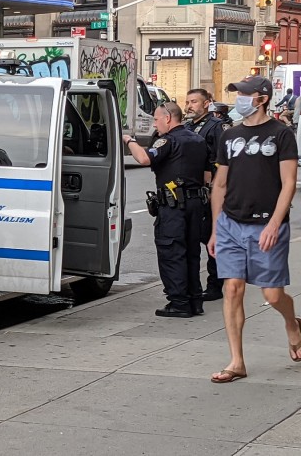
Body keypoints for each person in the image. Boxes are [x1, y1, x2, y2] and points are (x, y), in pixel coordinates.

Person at [208, 75, 301, 383]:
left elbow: (288, 183)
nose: (239, 99)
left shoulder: (281, 134)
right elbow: (219, 184)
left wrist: (274, 224)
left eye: (245, 94)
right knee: (231, 289)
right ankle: (236, 361)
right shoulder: (229, 135)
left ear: (261, 98)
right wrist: (215, 229)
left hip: (266, 225)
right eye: (238, 94)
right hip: (231, 224)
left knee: (273, 295)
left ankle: (292, 323)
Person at [125, 102, 209, 317]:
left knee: (172, 252)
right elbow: (207, 175)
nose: (155, 123)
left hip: (174, 206)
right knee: (192, 252)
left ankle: (179, 303)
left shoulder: (168, 140)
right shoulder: (198, 140)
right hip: (196, 204)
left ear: (168, 118)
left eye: (156, 119)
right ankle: (194, 301)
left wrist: (130, 141)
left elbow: (144, 158)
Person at [183, 89, 226, 302]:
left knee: (211, 236)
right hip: (192, 190)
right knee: (194, 237)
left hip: (210, 191)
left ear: (207, 104)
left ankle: (215, 284)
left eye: (194, 102)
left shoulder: (216, 127)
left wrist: (214, 189)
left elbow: (222, 162)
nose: (190, 105)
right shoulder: (188, 126)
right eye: (188, 101)